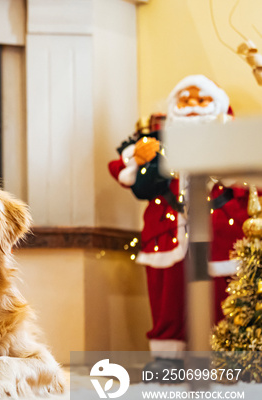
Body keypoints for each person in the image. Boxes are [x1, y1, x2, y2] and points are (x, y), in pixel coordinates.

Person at [108, 75, 237, 373]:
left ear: (216, 104)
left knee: (223, 298)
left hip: (222, 230)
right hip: (168, 232)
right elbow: (121, 170)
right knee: (168, 298)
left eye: (201, 99)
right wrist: (139, 160)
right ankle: (168, 361)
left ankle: (224, 359)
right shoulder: (155, 141)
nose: (192, 106)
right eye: (185, 99)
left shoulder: (231, 137)